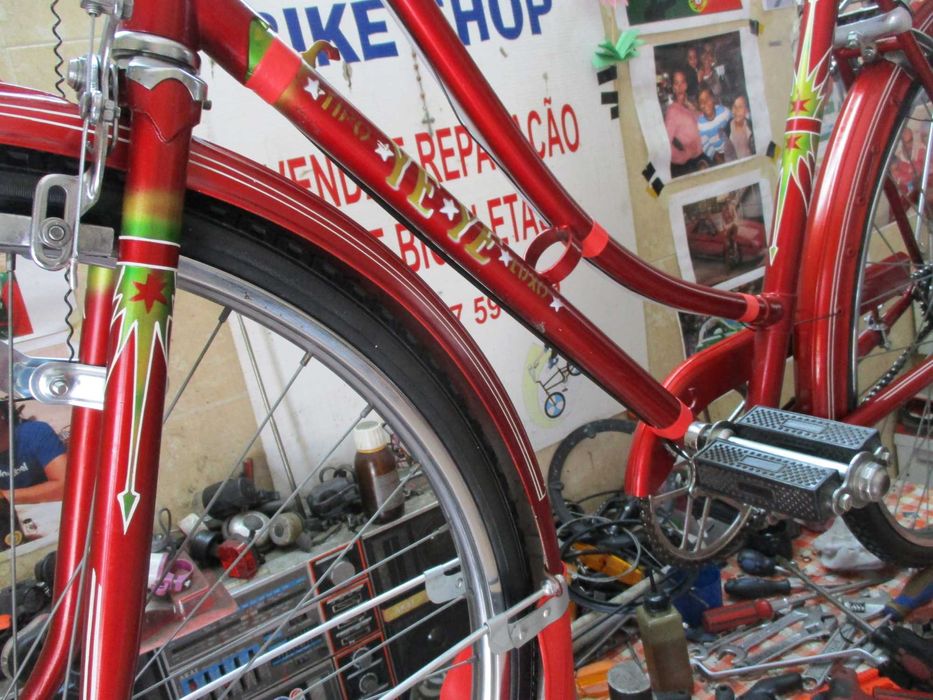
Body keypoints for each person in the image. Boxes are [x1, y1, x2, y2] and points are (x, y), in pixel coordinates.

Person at [0, 400, 66, 504]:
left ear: (2, 414)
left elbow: (64, 487)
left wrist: (4, 497)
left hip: (47, 508)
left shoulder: (36, 433)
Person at [665, 69, 706, 177]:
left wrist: (692, 107)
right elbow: (666, 145)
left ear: (686, 85)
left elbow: (702, 119)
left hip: (706, 153)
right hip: (695, 163)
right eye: (676, 83)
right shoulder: (672, 111)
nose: (680, 87)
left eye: (682, 82)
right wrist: (684, 156)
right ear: (673, 86)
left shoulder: (687, 105)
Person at [697, 88, 731, 163]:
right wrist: (717, 157)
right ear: (699, 106)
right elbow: (705, 145)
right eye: (701, 101)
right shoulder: (700, 125)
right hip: (717, 154)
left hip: (731, 147)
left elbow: (733, 123)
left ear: (713, 99)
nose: (705, 102)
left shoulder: (724, 112)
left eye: (707, 98)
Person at [725, 94, 755, 159]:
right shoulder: (728, 128)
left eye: (740, 107)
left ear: (746, 110)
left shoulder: (752, 127)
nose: (736, 111)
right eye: (734, 107)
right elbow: (728, 156)